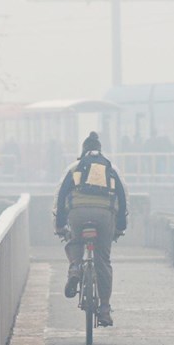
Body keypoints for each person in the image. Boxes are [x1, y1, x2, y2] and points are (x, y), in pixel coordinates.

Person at [54, 131, 128, 326]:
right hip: (104, 216)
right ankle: (104, 309)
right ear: (100, 150)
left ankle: (76, 269)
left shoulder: (74, 168)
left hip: (78, 214)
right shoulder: (111, 169)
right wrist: (120, 226)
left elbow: (61, 198)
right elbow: (122, 198)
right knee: (103, 260)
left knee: (75, 242)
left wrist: (60, 225)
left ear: (83, 151)